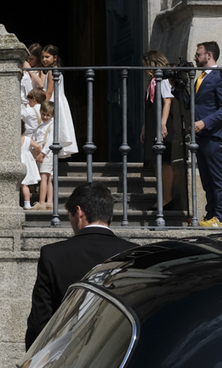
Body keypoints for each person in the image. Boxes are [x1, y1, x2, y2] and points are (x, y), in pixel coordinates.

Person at [24, 182, 133, 348]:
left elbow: (40, 320)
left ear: (79, 212)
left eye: (70, 216)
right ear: (109, 214)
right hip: (118, 353)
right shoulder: (133, 253)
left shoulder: (53, 254)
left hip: (66, 356)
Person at [193, 41, 222, 227]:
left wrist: (205, 122)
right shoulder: (200, 77)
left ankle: (221, 217)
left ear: (209, 55)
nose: (195, 56)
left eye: (199, 53)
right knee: (206, 179)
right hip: (201, 137)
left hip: (214, 136)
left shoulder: (220, 76)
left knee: (218, 179)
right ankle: (211, 215)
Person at [140, 50, 182, 212]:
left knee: (164, 161)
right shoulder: (152, 81)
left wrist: (163, 124)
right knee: (157, 162)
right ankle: (162, 197)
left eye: (145, 65)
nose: (143, 68)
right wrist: (146, 126)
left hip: (162, 124)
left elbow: (167, 102)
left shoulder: (163, 79)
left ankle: (167, 198)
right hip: (153, 125)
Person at [34, 44, 78, 158]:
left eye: (47, 57)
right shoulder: (55, 70)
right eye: (43, 57)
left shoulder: (51, 71)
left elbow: (49, 92)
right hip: (60, 101)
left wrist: (43, 107)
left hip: (54, 101)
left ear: (54, 57)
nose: (44, 59)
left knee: (52, 128)